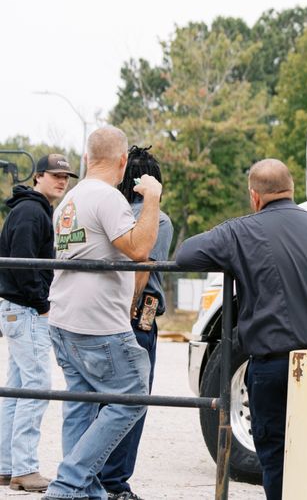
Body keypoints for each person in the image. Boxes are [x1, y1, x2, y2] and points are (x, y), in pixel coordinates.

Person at [175, 158, 307, 500]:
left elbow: (185, 255)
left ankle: (289, 458)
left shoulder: (240, 231)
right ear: (292, 190)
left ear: (255, 196)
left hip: (273, 369)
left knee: (274, 455)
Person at [43, 127, 162, 500]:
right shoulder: (108, 198)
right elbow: (140, 249)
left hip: (64, 320)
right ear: (123, 161)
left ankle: (85, 491)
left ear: (86, 156)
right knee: (133, 396)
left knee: (80, 406)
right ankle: (66, 486)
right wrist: (153, 197)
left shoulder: (69, 201)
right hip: (98, 324)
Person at [98, 146, 173, 500]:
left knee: (101, 401)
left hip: (100, 317)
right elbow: (142, 270)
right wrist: (128, 315)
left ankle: (94, 476)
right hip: (136, 317)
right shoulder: (156, 217)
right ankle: (116, 484)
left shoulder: (110, 212)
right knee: (133, 404)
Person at [0, 154, 77, 493]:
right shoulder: (32, 211)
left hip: (16, 308)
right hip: (26, 309)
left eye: (66, 176)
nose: (62, 181)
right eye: (56, 175)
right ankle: (26, 469)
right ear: (39, 176)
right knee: (36, 387)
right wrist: (42, 304)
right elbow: (23, 263)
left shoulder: (29, 208)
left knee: (17, 390)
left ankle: (6, 466)